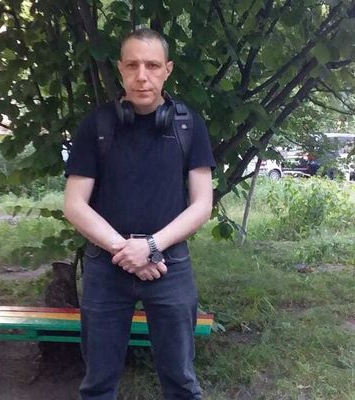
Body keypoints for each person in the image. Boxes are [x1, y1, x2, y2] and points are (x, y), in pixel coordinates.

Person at [64, 28, 215, 400]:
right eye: (132, 65)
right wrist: (127, 250)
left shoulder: (189, 125)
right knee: (97, 385)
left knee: (181, 382)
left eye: (152, 65)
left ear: (168, 69)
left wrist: (150, 246)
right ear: (120, 69)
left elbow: (202, 204)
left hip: (170, 266)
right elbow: (74, 204)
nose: (142, 75)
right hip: (106, 266)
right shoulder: (97, 125)